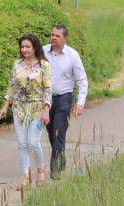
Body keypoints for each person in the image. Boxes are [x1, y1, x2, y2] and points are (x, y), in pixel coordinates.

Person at [0, 34, 52, 190]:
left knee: (33, 142)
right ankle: (26, 176)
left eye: (28, 47)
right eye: (22, 47)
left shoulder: (44, 65)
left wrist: (46, 109)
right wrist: (5, 105)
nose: (25, 50)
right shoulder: (17, 64)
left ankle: (40, 171)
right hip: (19, 108)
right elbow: (12, 86)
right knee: (22, 144)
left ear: (35, 47)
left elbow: (48, 89)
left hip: (37, 108)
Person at [43, 24, 88, 179]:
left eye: (57, 36)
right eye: (52, 35)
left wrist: (80, 102)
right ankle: (61, 159)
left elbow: (82, 79)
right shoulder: (43, 51)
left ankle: (54, 171)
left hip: (64, 98)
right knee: (50, 134)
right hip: (46, 99)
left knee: (58, 133)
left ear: (65, 38)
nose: (53, 38)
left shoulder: (72, 55)